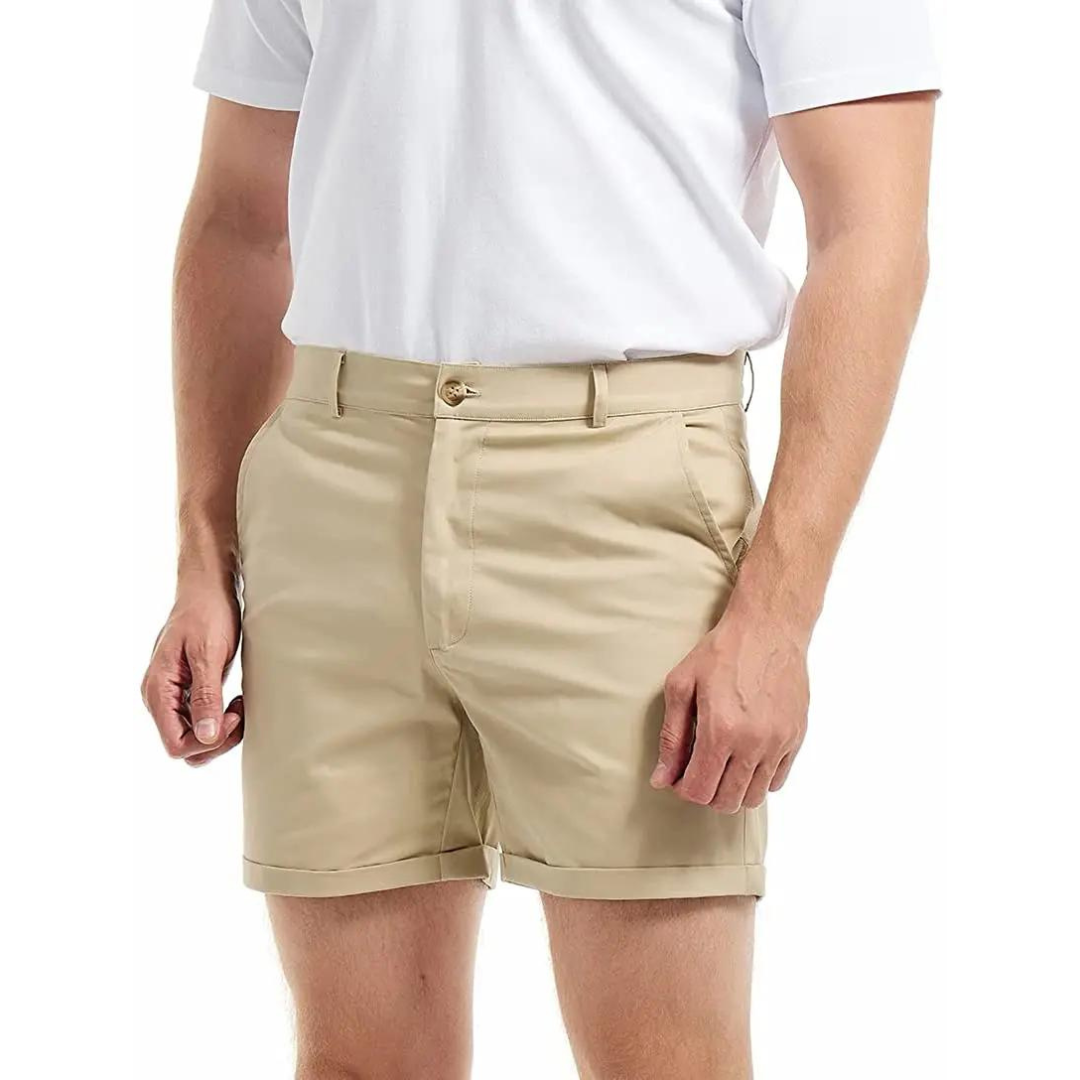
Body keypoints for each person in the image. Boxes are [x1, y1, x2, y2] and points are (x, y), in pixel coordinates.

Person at [140, 1, 939, 1076]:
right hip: (334, 486)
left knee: (666, 1061)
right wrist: (204, 555)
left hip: (626, 499)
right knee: (359, 1060)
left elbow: (872, 230)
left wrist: (778, 616)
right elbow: (241, 221)